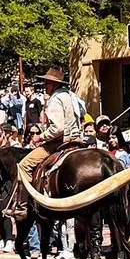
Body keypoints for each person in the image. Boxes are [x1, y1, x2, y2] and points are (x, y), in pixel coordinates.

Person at [13, 67, 85, 218]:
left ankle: (23, 206)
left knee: (24, 165)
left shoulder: (56, 99)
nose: (45, 85)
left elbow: (58, 128)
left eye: (47, 82)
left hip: (60, 140)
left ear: (54, 84)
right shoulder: (69, 96)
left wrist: (41, 137)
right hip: (77, 138)